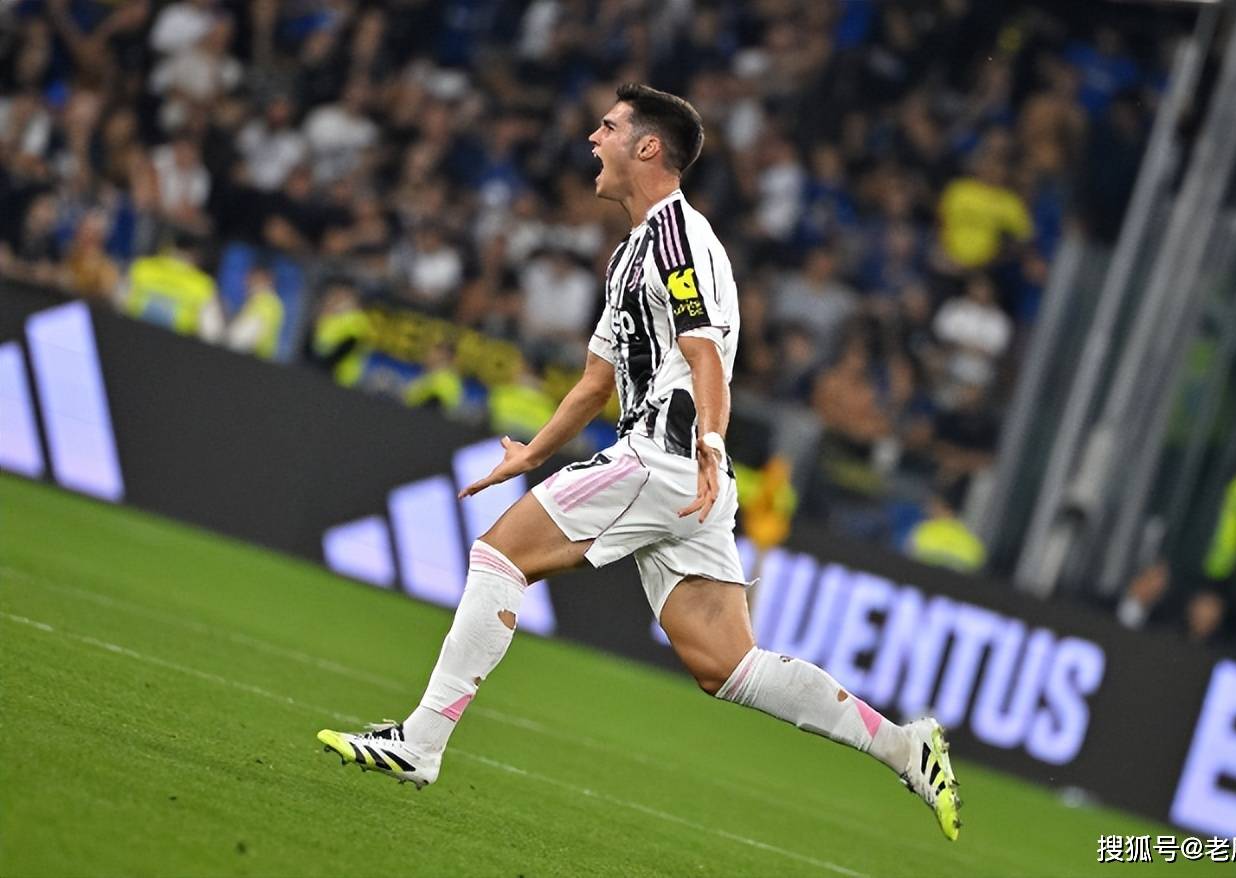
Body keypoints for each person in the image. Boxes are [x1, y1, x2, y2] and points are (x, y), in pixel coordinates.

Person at [317, 83, 961, 842]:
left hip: (665, 459)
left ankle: (421, 743)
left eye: (608, 127)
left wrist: (711, 448)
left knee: (499, 555)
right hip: (685, 478)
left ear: (647, 147)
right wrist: (533, 453)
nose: (593, 139)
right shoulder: (632, 251)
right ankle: (903, 746)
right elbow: (596, 381)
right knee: (726, 665)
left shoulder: (678, 241)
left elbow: (705, 356)